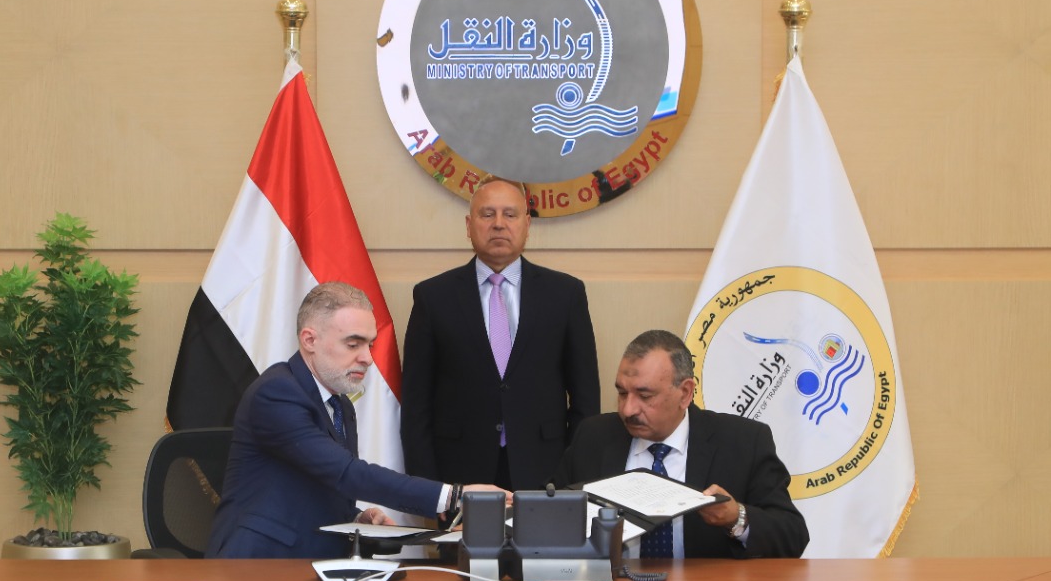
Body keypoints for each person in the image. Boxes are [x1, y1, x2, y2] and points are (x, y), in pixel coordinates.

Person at [207, 282, 501, 559]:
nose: (368, 358)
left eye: (370, 345)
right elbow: (345, 473)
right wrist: (453, 496)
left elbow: (324, 482)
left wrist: (356, 518)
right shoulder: (276, 393)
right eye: (353, 344)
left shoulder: (341, 405)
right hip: (258, 563)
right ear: (310, 340)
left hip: (316, 564)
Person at [402, 177, 601, 491]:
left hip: (546, 470)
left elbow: (585, 399)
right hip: (460, 472)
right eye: (487, 214)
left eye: (510, 214)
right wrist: (428, 490)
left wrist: (574, 478)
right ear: (469, 225)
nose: (498, 224)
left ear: (527, 224)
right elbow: (416, 404)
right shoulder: (433, 297)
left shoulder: (565, 294)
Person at [551, 329, 809, 558]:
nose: (628, 409)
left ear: (685, 393)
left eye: (644, 395)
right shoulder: (594, 437)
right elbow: (550, 512)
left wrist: (736, 517)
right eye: (622, 393)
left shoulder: (743, 441)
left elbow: (793, 535)